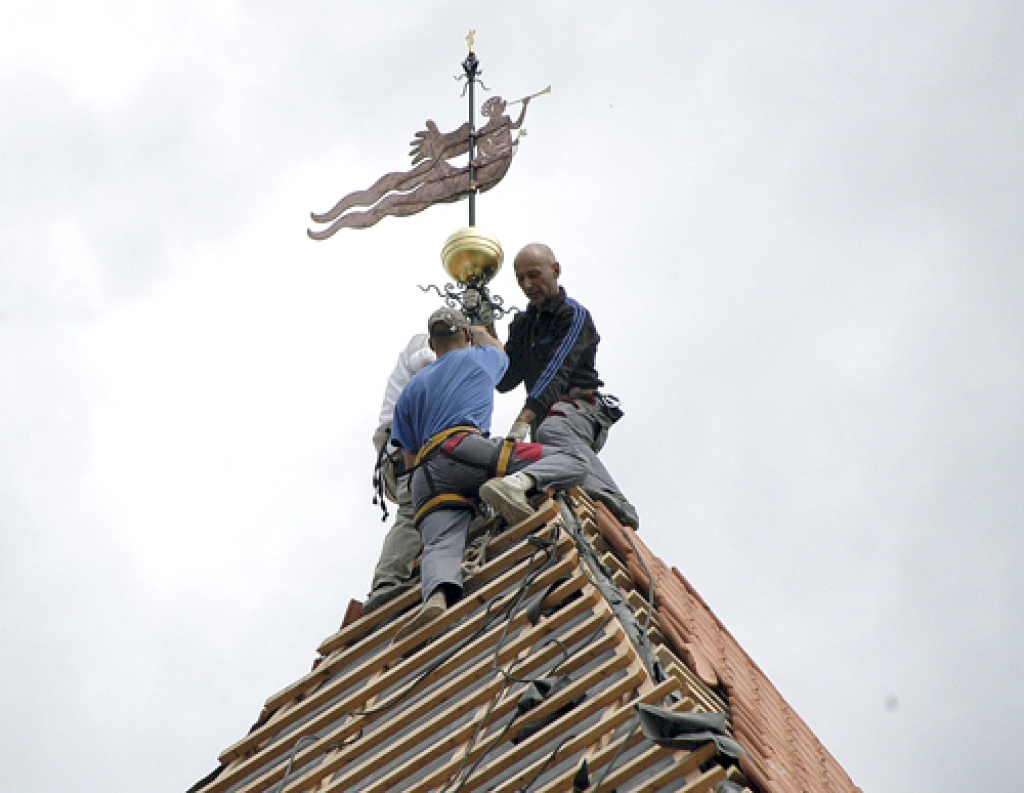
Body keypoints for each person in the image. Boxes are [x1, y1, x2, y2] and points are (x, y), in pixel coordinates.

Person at [390, 307, 586, 639]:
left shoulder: (411, 389)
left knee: (440, 542)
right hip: (465, 448)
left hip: (426, 476)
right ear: (465, 336)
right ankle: (517, 483)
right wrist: (478, 328)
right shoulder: (480, 358)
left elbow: (409, 455)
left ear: (432, 345)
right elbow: (499, 350)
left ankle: (436, 596)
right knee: (573, 459)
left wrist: (420, 509)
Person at [497, 243, 640, 529]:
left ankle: (614, 499)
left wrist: (527, 415)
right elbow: (505, 379)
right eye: (521, 279)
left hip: (579, 410)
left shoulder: (572, 314)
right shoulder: (524, 325)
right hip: (545, 419)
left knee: (553, 430)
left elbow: (557, 370)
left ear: (556, 270)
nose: (528, 285)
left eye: (534, 275)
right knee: (543, 470)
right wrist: (486, 334)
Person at [363, 334, 436, 613]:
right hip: (404, 450)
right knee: (414, 509)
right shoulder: (424, 345)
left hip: (410, 449)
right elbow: (425, 361)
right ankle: (387, 582)